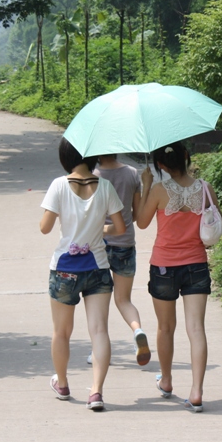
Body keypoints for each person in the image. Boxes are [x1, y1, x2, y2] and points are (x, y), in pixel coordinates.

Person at [40, 138, 125, 411]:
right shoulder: (106, 186)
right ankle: (96, 392)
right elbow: (120, 228)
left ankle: (63, 384)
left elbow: (44, 227)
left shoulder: (59, 185)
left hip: (64, 269)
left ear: (66, 156)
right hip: (98, 267)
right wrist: (101, 231)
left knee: (61, 332)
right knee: (99, 331)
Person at [137, 141, 218, 413]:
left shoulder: (160, 190)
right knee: (196, 329)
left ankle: (168, 380)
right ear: (186, 156)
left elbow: (142, 221)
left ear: (160, 165)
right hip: (196, 263)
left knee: (165, 328)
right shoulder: (206, 188)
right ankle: (197, 392)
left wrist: (146, 184)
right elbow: (215, 223)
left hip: (164, 265)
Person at [90, 154, 150, 366]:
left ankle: (98, 350)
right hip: (125, 244)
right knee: (123, 300)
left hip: (99, 245)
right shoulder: (132, 173)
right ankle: (138, 331)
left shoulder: (93, 176)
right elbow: (135, 213)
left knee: (99, 301)